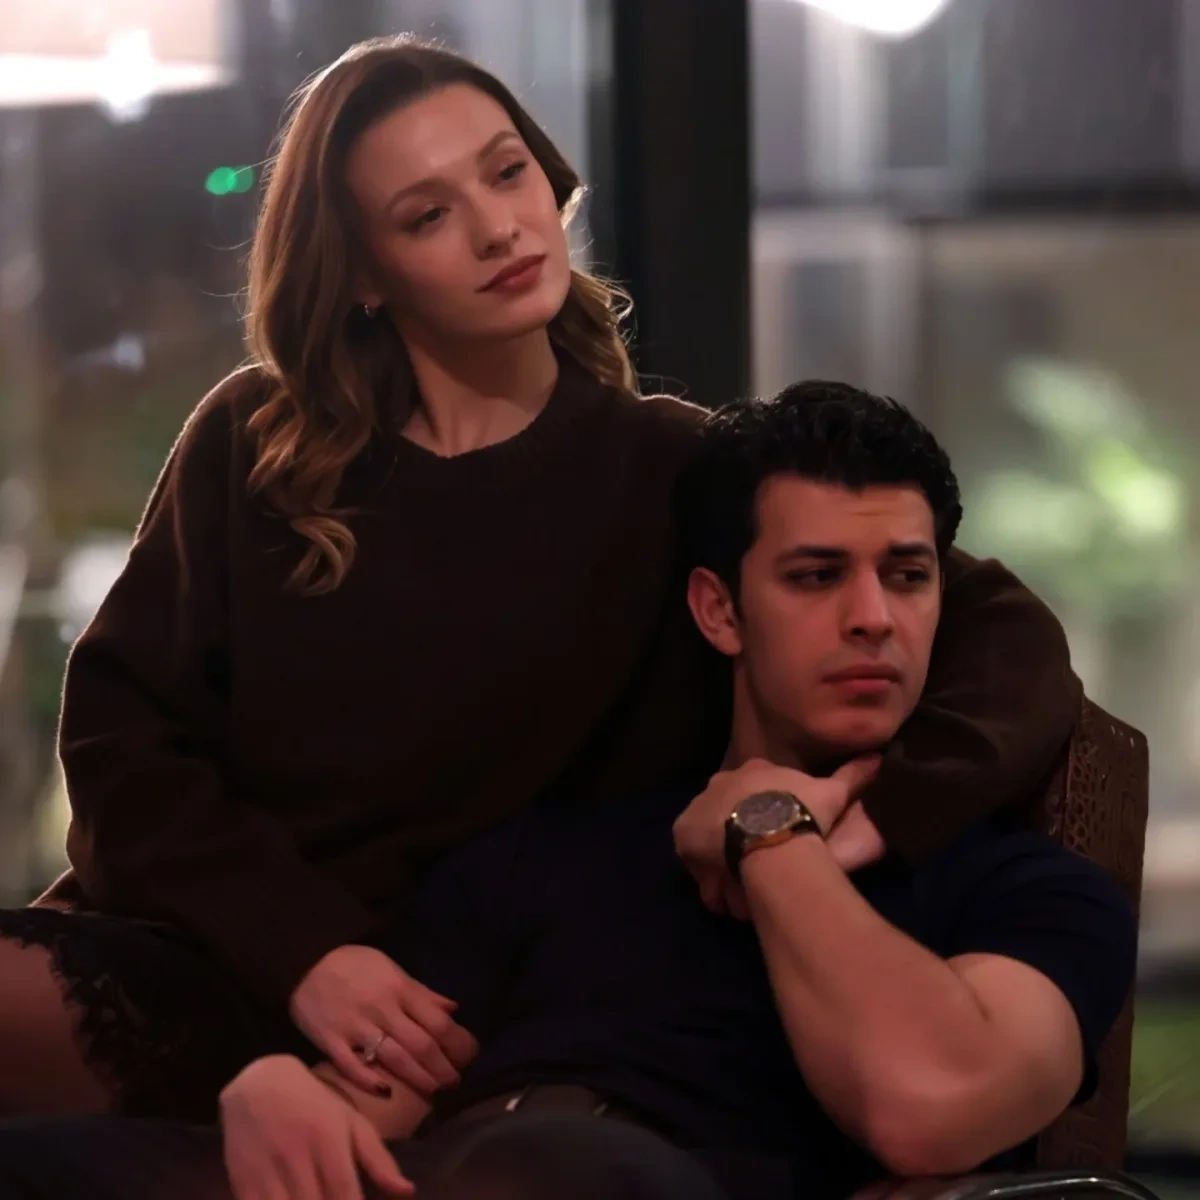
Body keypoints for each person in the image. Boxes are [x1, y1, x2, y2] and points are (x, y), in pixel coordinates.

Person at [0, 34, 1080, 1123]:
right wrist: (304, 952)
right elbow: (121, 744)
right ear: (363, 274)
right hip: (218, 950)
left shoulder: (669, 467)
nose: (498, 228)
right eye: (428, 215)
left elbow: (1004, 636)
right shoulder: (259, 443)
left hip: (460, 1001)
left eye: (507, 172)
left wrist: (875, 809)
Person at [0, 383, 1136, 1200]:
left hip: (621, 1180)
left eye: (907, 576)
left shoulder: (1028, 891)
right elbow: (372, 1104)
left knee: (555, 1165)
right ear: (719, 612)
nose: (873, 618)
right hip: (437, 1173)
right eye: (815, 576)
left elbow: (928, 1105)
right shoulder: (553, 855)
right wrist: (282, 1098)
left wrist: (770, 831)